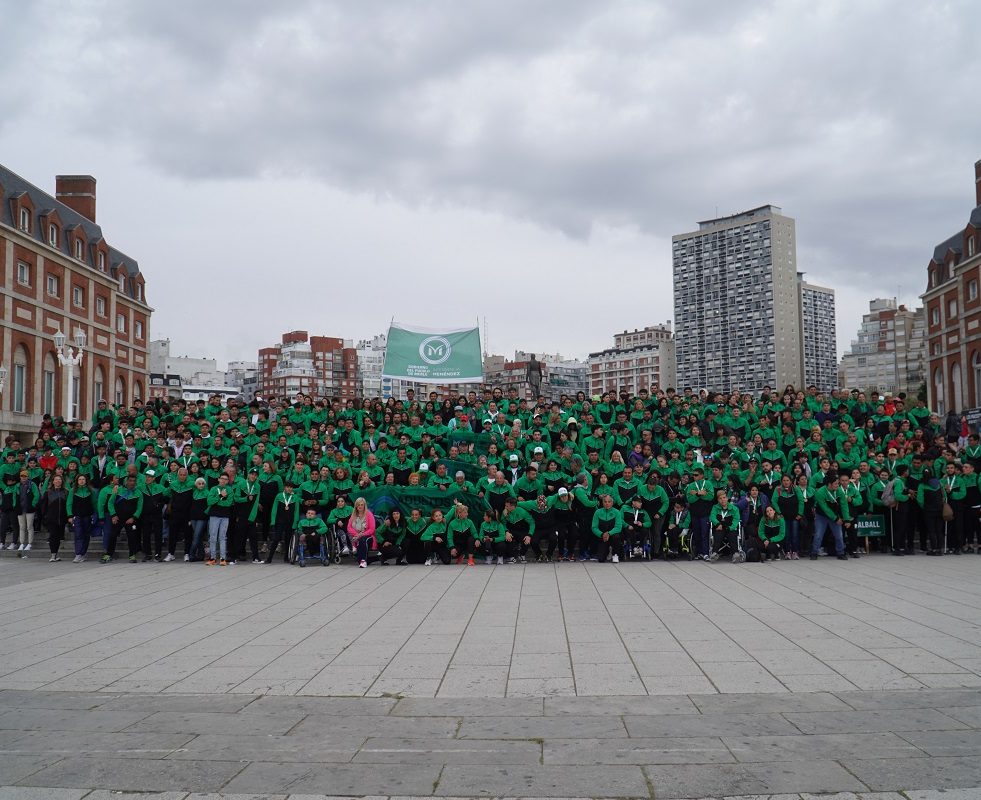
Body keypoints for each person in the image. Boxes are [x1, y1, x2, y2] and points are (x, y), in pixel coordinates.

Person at [205, 473, 234, 566]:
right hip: (214, 515)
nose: (223, 480)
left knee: (222, 537)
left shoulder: (229, 489)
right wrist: (221, 496)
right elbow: (209, 501)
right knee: (213, 536)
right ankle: (212, 558)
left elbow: (228, 503)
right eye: (222, 478)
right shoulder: (213, 489)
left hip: (225, 516)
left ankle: (222, 558)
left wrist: (217, 501)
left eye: (226, 479)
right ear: (218, 479)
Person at [66, 473, 96, 563]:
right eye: (80, 479)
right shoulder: (72, 491)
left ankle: (83, 553)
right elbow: (69, 504)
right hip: (77, 516)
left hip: (88, 516)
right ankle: (78, 554)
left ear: (86, 480)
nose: (81, 481)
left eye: (83, 479)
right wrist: (70, 515)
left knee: (86, 535)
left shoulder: (91, 491)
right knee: (78, 534)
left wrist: (95, 515)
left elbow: (94, 504)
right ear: (77, 481)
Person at [39, 474, 69, 563]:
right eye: (56, 479)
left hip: (62, 518)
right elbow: (43, 506)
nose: (58, 481)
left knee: (59, 537)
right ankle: (53, 554)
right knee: (53, 536)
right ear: (53, 481)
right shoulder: (48, 492)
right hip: (51, 519)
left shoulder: (66, 492)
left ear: (62, 481)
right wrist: (44, 517)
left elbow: (68, 505)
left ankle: (56, 554)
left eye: (59, 479)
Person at [347, 496, 377, 568]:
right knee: (358, 560)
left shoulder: (369, 514)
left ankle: (363, 560)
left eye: (362, 505)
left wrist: (362, 534)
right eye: (358, 504)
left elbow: (372, 529)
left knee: (363, 539)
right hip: (356, 536)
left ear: (364, 506)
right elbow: (349, 527)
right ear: (356, 506)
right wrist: (357, 534)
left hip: (368, 536)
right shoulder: (353, 515)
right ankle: (377, 558)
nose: (360, 506)